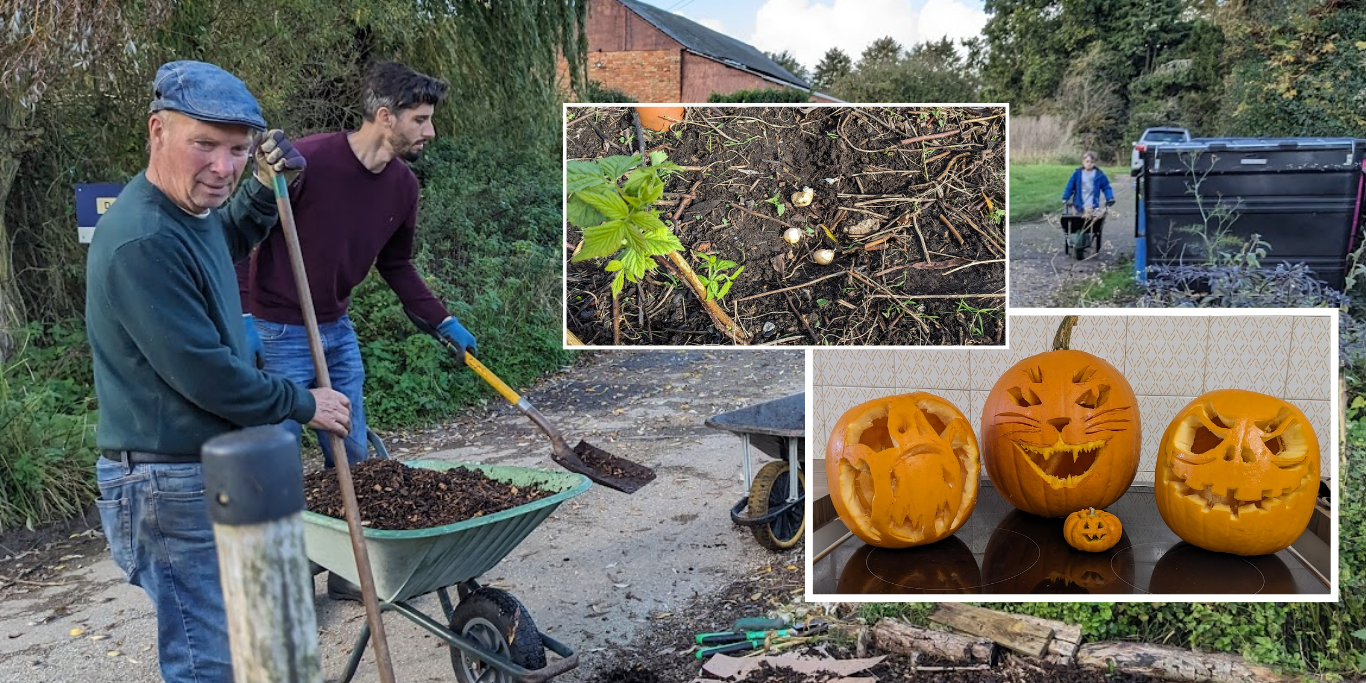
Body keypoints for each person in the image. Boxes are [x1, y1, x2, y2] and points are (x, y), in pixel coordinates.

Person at [86, 60, 352, 683]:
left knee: (271, 638)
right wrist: (303, 402)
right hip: (167, 480)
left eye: (237, 150)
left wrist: (263, 189)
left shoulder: (186, 214)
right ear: (157, 130)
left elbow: (222, 241)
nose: (223, 167)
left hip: (224, 459)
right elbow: (205, 375)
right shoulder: (142, 238)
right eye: (203, 144)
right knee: (217, 659)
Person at [236, 60, 476, 600]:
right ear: (385, 116)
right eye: (420, 119)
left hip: (336, 330)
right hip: (278, 329)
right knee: (276, 453)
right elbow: (242, 238)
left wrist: (441, 319)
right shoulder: (306, 162)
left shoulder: (402, 187)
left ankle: (351, 565)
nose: (429, 131)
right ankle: (288, 569)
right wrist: (245, 317)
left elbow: (398, 266)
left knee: (353, 450)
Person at [1062, 150, 1115, 217]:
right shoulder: (1077, 174)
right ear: (1083, 162)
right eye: (1087, 161)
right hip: (1078, 204)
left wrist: (1110, 197)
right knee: (1078, 221)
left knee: (1089, 221)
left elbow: (1106, 187)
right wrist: (1065, 197)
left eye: (1092, 162)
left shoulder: (1099, 175)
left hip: (1092, 205)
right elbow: (1070, 186)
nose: (1089, 164)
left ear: (1095, 163)